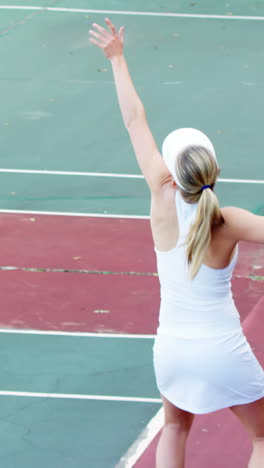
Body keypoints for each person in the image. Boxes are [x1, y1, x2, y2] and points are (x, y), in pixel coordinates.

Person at [89, 19, 264, 468]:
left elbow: (134, 121)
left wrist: (117, 57)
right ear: (214, 171)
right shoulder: (230, 220)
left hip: (170, 350)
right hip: (220, 349)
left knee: (174, 428)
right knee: (262, 438)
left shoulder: (160, 197)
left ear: (173, 171)